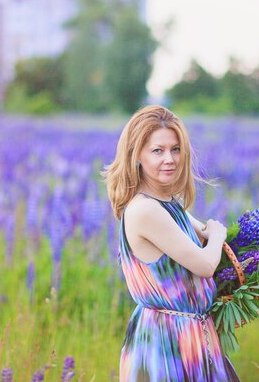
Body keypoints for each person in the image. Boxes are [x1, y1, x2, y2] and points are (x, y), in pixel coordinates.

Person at [102, 105, 241, 381]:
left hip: (190, 337)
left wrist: (213, 235)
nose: (170, 159)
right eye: (158, 150)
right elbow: (204, 264)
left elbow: (199, 233)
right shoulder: (145, 210)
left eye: (176, 149)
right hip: (167, 344)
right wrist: (216, 235)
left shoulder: (167, 205)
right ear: (137, 155)